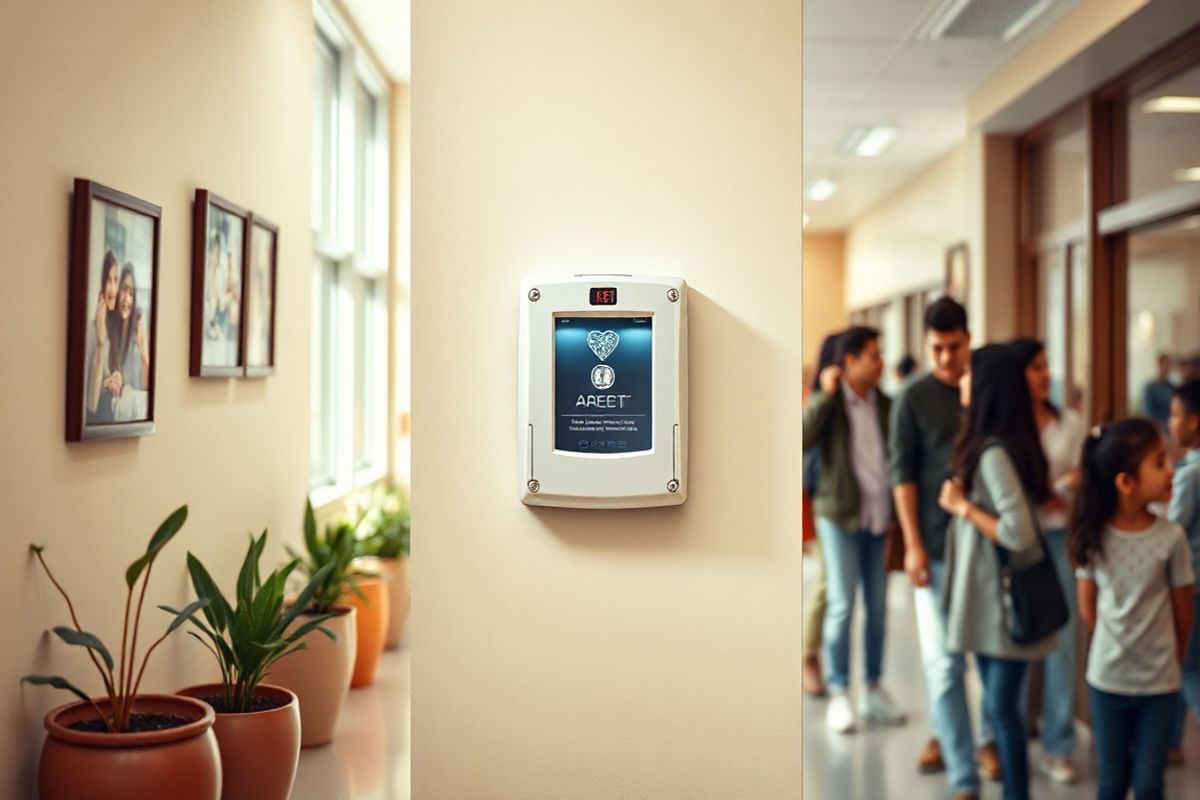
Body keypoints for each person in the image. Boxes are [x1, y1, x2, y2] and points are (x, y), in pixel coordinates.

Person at [938, 344, 1059, 800]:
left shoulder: (993, 455)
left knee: (1001, 709)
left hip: (999, 605)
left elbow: (1019, 533)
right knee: (999, 706)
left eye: (970, 373)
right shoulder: (999, 445)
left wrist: (962, 506)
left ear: (986, 385)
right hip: (992, 602)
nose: (962, 380)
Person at [890, 297, 995, 796]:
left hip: (989, 548)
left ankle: (987, 738)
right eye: (937, 350)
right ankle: (962, 772)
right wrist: (911, 545)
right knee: (944, 664)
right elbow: (902, 475)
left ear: (968, 339)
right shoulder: (913, 397)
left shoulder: (989, 391)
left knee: (991, 657)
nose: (947, 359)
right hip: (932, 547)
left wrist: (974, 402)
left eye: (954, 347)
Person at [1071, 418, 1194, 800]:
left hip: (1160, 686)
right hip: (1108, 682)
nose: (1170, 469)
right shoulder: (1093, 536)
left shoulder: (1172, 538)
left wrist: (1170, 660)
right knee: (1111, 781)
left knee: (1149, 785)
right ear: (1126, 483)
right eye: (1159, 462)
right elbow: (1087, 607)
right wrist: (1117, 645)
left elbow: (1183, 612)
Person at [803, 326, 906, 733]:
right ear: (850, 361)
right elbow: (803, 435)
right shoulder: (831, 402)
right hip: (839, 515)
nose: (881, 363)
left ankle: (874, 689)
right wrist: (824, 395)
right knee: (843, 603)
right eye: (874, 355)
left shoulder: (887, 404)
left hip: (879, 517)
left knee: (877, 607)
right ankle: (841, 692)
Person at [1009, 338, 1086, 784]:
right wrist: (1053, 488)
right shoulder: (1010, 428)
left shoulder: (1069, 422)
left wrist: (1063, 487)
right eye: (1035, 367)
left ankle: (1058, 746)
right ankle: (1013, 735)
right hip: (1021, 544)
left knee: (1062, 641)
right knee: (1019, 639)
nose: (1044, 374)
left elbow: (1083, 479)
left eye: (1046, 366)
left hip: (1060, 540)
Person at [803, 331, 843, 698]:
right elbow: (802, 439)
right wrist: (825, 396)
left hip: (843, 509)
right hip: (816, 504)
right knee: (827, 584)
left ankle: (821, 658)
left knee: (836, 589)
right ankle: (808, 656)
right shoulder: (819, 398)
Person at [1169, 381, 1200, 762]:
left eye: (1175, 415)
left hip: (1191, 587)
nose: (1170, 422)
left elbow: (1174, 530)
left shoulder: (1190, 474)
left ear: (1194, 422)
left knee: (1188, 669)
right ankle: (1171, 744)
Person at [109, 265, 150, 422]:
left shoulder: (139, 326)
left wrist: (144, 352)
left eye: (131, 293)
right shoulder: (110, 329)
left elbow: (146, 388)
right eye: (124, 290)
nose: (127, 299)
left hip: (133, 417)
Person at [85, 250, 120, 425]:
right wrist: (100, 344)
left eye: (116, 279)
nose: (113, 288)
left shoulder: (114, 327)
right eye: (108, 279)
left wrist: (111, 381)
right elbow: (90, 403)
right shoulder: (91, 331)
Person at [1143, 354, 1176, 431]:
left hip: (1171, 429)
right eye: (1165, 365)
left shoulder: (1173, 387)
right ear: (1159, 365)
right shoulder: (1151, 387)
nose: (1167, 368)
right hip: (1158, 428)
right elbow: (1148, 411)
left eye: (1169, 365)